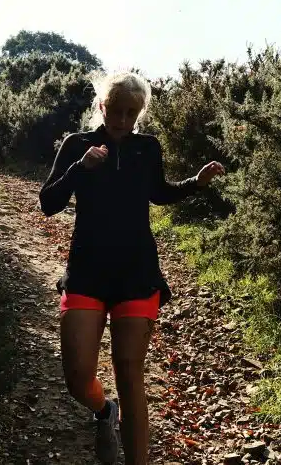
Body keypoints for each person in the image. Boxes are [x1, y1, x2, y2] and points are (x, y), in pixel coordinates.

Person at [39, 71, 225, 465]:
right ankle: (104, 411)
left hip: (137, 275)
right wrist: (79, 168)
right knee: (76, 377)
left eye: (131, 114)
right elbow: (48, 203)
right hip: (87, 272)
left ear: (139, 113)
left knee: (129, 373)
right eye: (116, 111)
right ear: (102, 106)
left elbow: (158, 193)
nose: (123, 121)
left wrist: (196, 182)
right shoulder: (78, 144)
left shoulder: (147, 148)